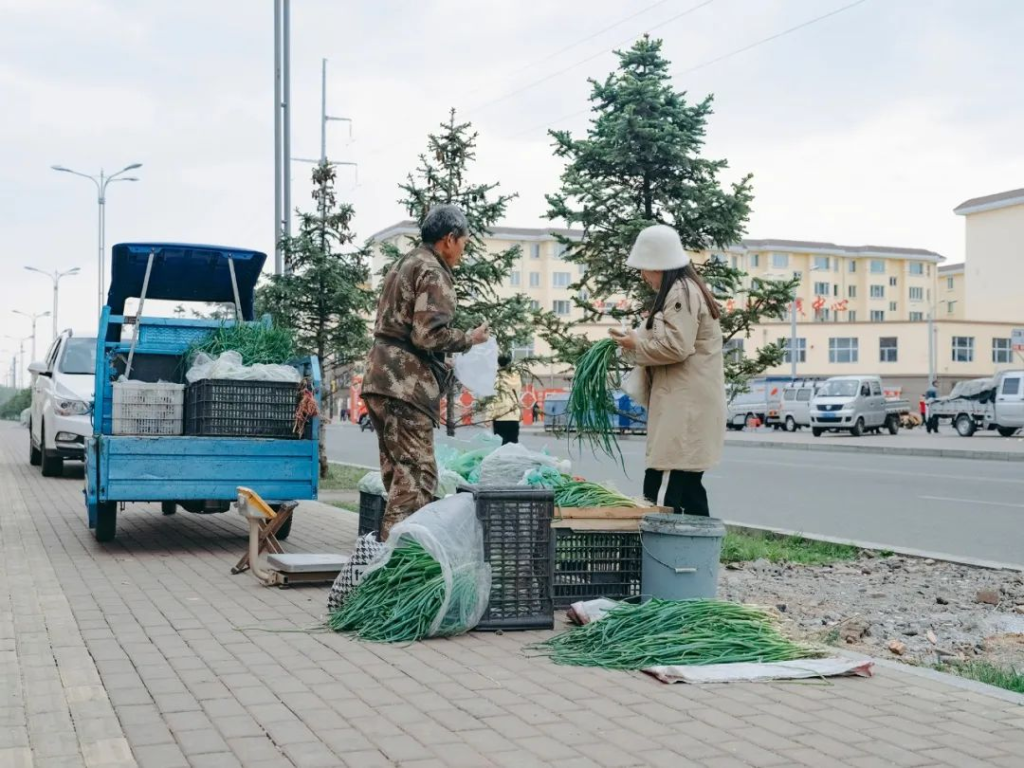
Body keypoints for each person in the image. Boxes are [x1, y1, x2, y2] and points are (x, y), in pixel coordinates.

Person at [361, 205, 490, 539]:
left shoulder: (405, 263)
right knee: (415, 480)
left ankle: (392, 558)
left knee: (397, 474)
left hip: (380, 378)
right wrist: (469, 339)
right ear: (449, 239)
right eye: (464, 242)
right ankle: (397, 568)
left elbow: (403, 328)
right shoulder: (433, 270)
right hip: (404, 386)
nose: (463, 249)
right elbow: (426, 334)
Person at [609, 224, 724, 517]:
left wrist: (636, 345)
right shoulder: (686, 289)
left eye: (644, 269)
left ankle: (662, 554)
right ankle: (699, 555)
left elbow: (676, 347)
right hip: (687, 401)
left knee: (666, 489)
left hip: (684, 404)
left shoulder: (680, 293)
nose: (643, 276)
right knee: (687, 486)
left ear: (658, 265)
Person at [490, 354, 521, 444]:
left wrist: (489, 415)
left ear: (498, 363)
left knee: (500, 444)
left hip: (499, 416)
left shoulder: (496, 378)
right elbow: (518, 393)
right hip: (513, 415)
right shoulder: (515, 377)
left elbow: (492, 398)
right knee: (513, 443)